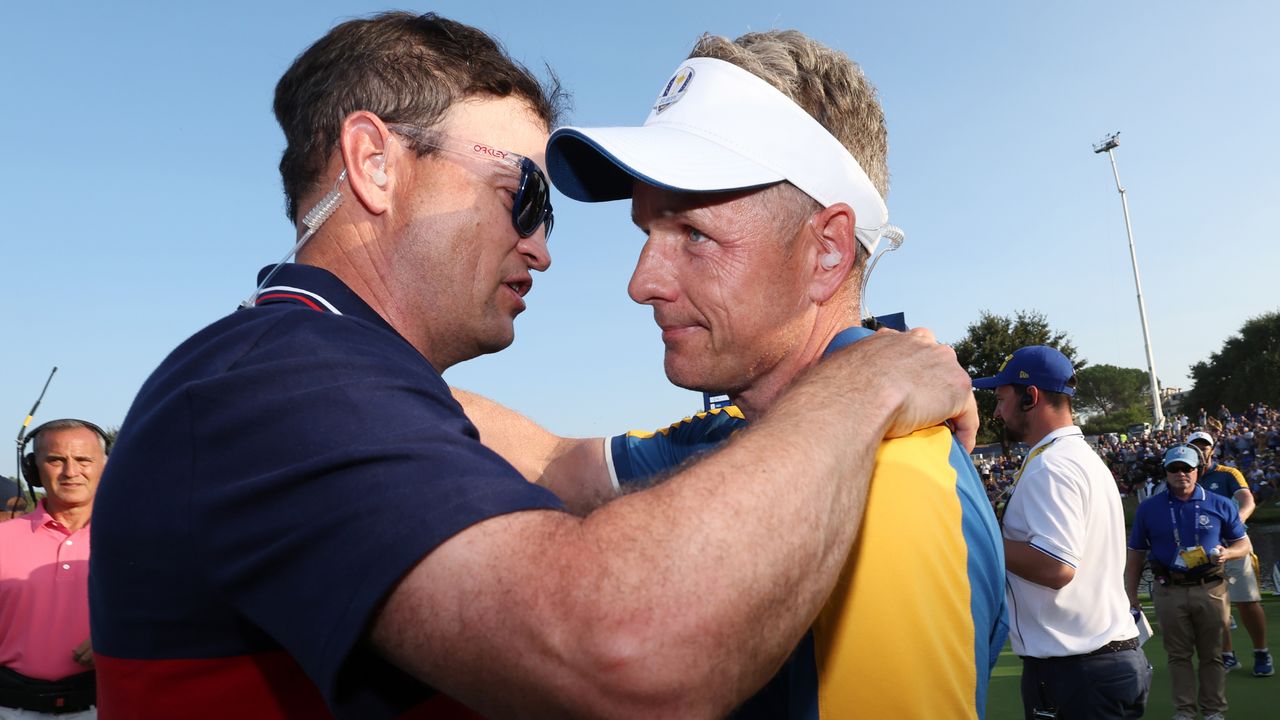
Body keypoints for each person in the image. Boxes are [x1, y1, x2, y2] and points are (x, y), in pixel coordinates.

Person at [87, 12, 977, 720]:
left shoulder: (870, 475)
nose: (554, 253)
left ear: (826, 253)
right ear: (374, 163)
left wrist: (875, 376)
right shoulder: (276, 387)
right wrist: (868, 382)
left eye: (694, 232)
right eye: (522, 191)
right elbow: (623, 646)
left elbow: (553, 461)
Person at [460, 29, 1006, 719]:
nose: (641, 282)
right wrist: (327, 347)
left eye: (693, 234)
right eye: (646, 234)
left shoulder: (891, 491)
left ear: (827, 253)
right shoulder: (741, 438)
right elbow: (550, 459)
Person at [971, 345, 1150, 719]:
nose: (997, 411)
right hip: (1102, 660)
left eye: (1002, 399)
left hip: (1077, 669)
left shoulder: (1051, 465)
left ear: (1030, 397)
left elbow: (1056, 568)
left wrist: (979, 537)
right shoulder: (1075, 456)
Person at [1126, 444, 1252, 720]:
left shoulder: (1219, 503)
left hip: (1211, 587)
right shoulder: (1149, 508)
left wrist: (1227, 553)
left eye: (1187, 468)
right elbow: (1135, 554)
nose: (1181, 473)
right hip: (1168, 589)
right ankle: (1184, 711)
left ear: (1198, 470)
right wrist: (1131, 595)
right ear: (1166, 472)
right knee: (1178, 655)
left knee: (1212, 654)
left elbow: (1242, 544)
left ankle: (1214, 711)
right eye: (1174, 468)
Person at [0, 420, 109, 719]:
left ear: (105, 466)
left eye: (84, 459)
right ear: (33, 470)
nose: (71, 472)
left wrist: (115, 635)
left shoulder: (137, 539)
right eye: (56, 460)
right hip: (10, 709)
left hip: (104, 707)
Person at [1187, 430, 1273, 676]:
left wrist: (1234, 523)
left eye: (1205, 446)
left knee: (1247, 603)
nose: (1201, 450)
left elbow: (1247, 500)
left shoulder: (1227, 474)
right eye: (1196, 446)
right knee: (1215, 606)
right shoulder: (1185, 475)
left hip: (1233, 546)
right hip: (1202, 551)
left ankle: (1261, 652)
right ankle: (1227, 655)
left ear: (1212, 449)